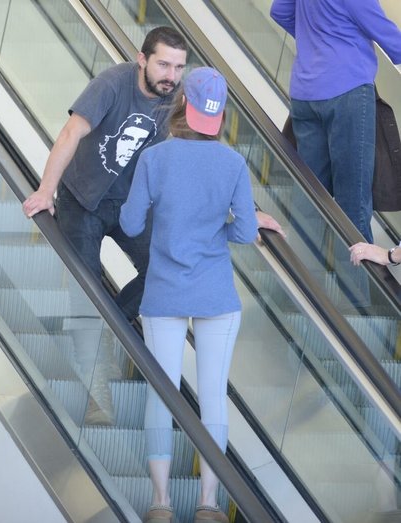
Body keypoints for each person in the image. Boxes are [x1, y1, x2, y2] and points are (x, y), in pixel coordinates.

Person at [22, 26, 188, 425]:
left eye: (179, 67)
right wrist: (46, 190)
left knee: (166, 268)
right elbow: (71, 133)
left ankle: (107, 329)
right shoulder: (112, 84)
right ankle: (97, 396)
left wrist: (243, 208)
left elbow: (201, 150)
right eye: (163, 64)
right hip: (83, 200)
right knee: (86, 291)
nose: (171, 75)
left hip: (130, 204)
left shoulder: (177, 98)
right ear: (142, 59)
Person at [120, 67, 261, 523]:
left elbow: (130, 225)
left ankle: (160, 502)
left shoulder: (155, 159)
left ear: (183, 103)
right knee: (213, 397)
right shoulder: (233, 164)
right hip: (216, 294)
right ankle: (209, 504)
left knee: (161, 396)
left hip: (164, 293)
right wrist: (216, 228)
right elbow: (246, 231)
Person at [270, 0, 401, 244]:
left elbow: (280, 11)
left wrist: (315, 44)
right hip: (347, 91)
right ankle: (357, 270)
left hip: (305, 93)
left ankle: (304, 265)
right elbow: (389, 37)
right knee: (353, 202)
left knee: (310, 197)